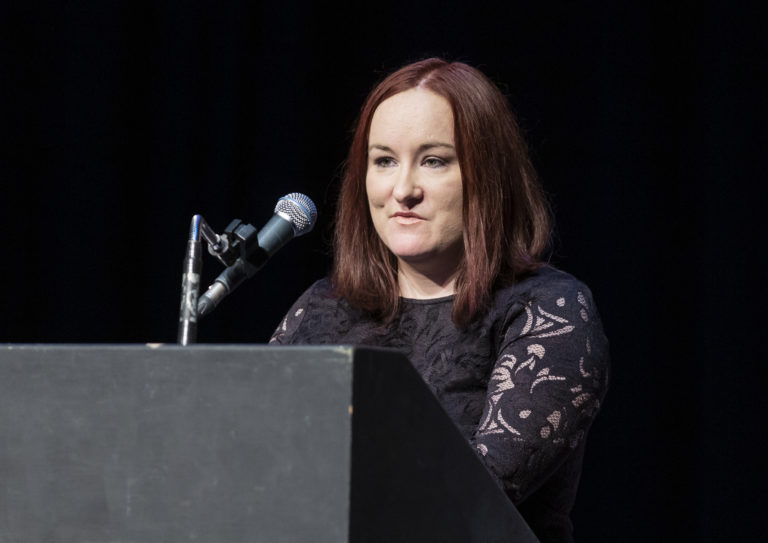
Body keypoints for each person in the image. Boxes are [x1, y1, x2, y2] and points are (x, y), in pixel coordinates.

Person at [270, 58, 609, 542]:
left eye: (434, 160)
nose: (403, 190)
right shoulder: (321, 308)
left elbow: (466, 498)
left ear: (486, 176)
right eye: (384, 160)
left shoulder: (547, 311)